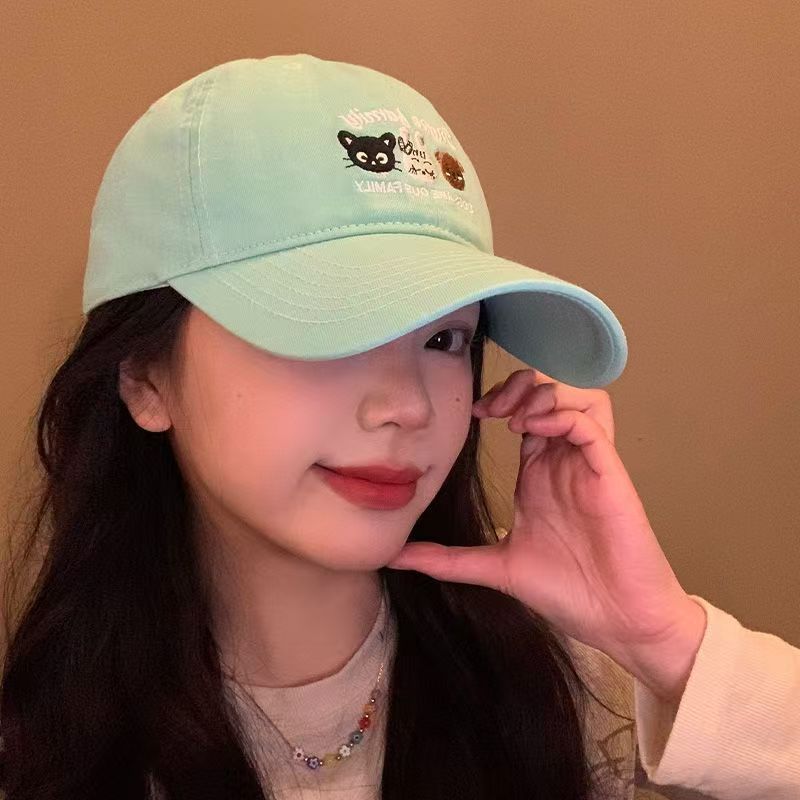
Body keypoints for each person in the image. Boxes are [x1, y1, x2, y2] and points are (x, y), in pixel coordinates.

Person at [1, 53, 797, 800]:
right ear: (145, 377)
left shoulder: (585, 688)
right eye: (327, 328)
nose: (410, 406)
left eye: (444, 340)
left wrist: (661, 640)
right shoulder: (41, 751)